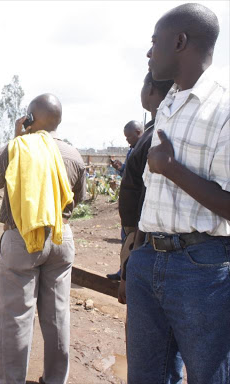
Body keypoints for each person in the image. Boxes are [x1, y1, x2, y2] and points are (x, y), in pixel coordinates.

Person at [126, 4, 230, 383]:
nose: (149, 52)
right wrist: (136, 251)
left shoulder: (224, 107)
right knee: (147, 375)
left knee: (209, 375)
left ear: (180, 42)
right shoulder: (168, 102)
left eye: (155, 43)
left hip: (202, 269)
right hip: (148, 259)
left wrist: (170, 168)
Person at [0, 94, 86, 384]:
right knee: (58, 315)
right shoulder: (74, 155)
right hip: (61, 236)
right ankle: (55, 380)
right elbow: (77, 198)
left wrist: (13, 138)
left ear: (29, 118)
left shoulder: (18, 147)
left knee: (15, 315)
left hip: (23, 236)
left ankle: (8, 380)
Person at [117, 72, 174, 305]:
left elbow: (144, 193)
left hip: (142, 238)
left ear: (150, 89)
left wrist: (135, 248)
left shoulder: (155, 133)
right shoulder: (153, 129)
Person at [107, 120, 145, 281]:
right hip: (128, 209)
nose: (127, 140)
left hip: (137, 208)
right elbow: (130, 177)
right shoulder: (133, 150)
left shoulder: (143, 150)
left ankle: (129, 273)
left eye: (129, 136)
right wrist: (121, 168)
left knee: (133, 241)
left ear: (138, 132)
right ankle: (123, 270)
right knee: (126, 240)